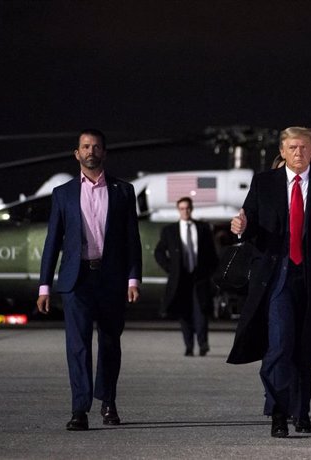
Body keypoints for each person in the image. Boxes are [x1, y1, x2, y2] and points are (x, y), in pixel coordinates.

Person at [227, 126, 311, 438]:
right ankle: (279, 412)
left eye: (304, 148)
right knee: (280, 345)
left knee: (306, 350)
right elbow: (251, 223)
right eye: (293, 148)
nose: (299, 153)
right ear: (282, 152)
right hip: (277, 275)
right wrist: (241, 226)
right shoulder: (264, 183)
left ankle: (303, 411)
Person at [37, 129, 142, 431]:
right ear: (77, 154)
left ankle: (108, 402)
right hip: (76, 279)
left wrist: (133, 278)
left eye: (96, 147)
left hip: (111, 278)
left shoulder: (123, 191)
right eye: (85, 147)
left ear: (104, 153)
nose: (91, 151)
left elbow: (131, 239)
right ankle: (79, 409)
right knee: (78, 345)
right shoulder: (63, 194)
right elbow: (53, 241)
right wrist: (45, 286)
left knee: (110, 343)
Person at [154, 197, 219, 356]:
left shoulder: (203, 229)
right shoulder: (169, 231)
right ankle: (189, 346)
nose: (185, 211)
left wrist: (210, 272)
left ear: (192, 209)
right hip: (180, 279)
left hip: (199, 277)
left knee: (201, 311)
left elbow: (212, 253)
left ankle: (203, 344)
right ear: (178, 210)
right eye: (182, 208)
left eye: (188, 208)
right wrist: (171, 268)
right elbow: (159, 252)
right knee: (184, 313)